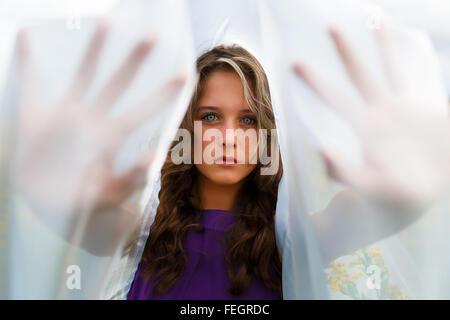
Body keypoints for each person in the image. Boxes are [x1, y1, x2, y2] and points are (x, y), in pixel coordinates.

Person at [8, 20, 450, 299]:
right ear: (184, 127)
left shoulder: (292, 236)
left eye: (249, 120)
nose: (228, 137)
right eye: (210, 116)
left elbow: (363, 216)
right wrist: (54, 200)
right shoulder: (141, 228)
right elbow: (90, 222)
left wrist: (409, 195)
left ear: (267, 137)